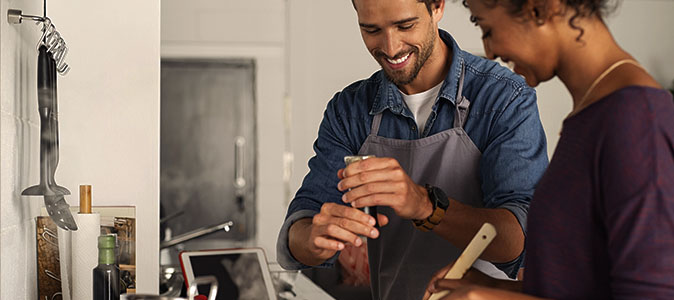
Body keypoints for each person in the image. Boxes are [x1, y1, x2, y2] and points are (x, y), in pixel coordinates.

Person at [276, 0, 549, 299]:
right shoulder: (349, 111)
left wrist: (425, 204)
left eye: (405, 26)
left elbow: (520, 240)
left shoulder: (503, 98)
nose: (391, 47)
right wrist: (313, 239)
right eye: (371, 30)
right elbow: (299, 230)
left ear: (437, 7)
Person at [424, 0, 674, 299]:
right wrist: (494, 286)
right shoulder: (592, 114)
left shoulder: (634, 119)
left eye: (487, 29)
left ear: (540, 8)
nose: (489, 51)